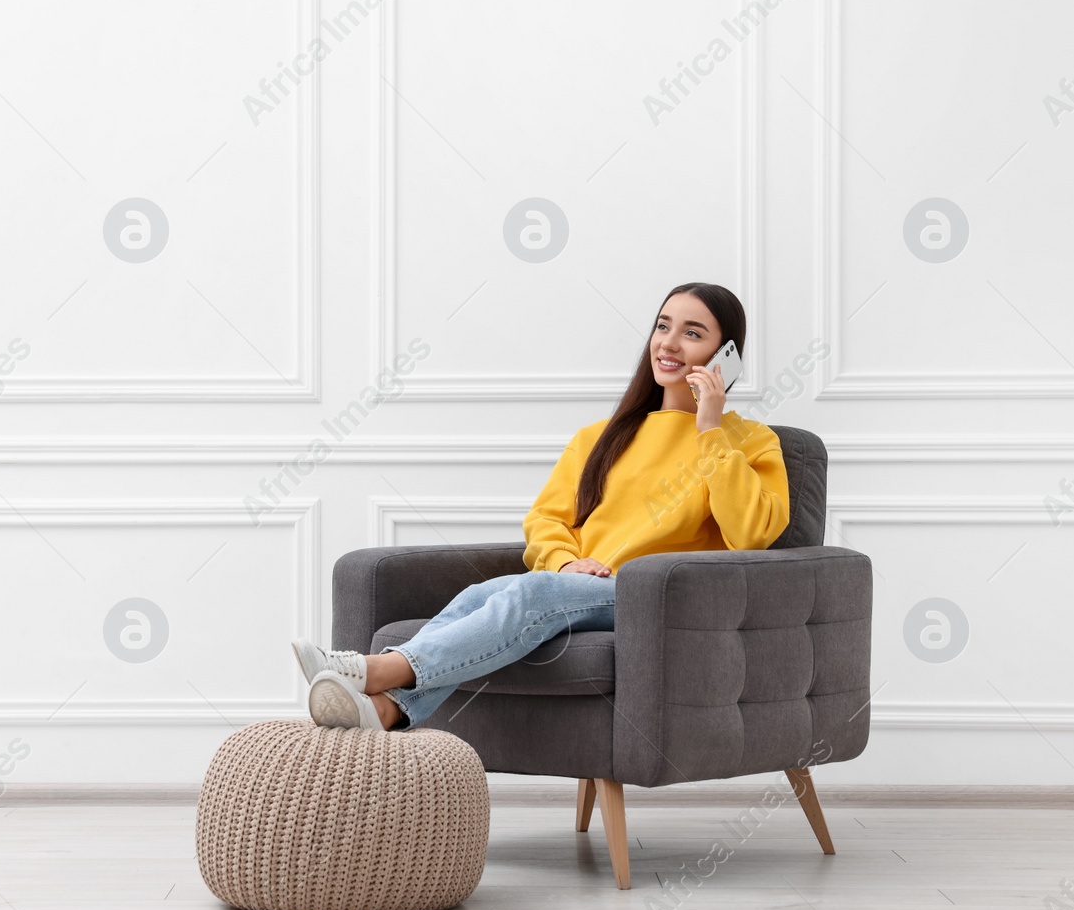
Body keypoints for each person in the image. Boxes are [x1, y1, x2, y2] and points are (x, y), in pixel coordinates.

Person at [295, 281, 790, 730]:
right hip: (581, 584)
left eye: (692, 333)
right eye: (663, 326)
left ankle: (376, 668)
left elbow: (751, 534)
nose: (669, 343)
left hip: (659, 595)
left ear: (726, 357)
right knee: (478, 595)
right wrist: (566, 563)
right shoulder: (600, 438)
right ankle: (386, 709)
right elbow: (546, 519)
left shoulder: (748, 442)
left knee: (529, 596)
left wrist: (709, 429)